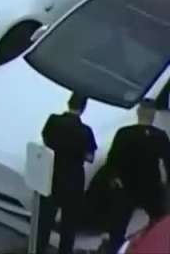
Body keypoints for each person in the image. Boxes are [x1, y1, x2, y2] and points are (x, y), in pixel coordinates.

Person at [104, 98, 170, 254]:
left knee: (118, 229)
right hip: (151, 187)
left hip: (127, 187)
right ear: (153, 114)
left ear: (138, 112)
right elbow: (169, 163)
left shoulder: (124, 133)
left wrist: (114, 180)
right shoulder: (160, 136)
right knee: (160, 224)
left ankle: (116, 250)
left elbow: (111, 162)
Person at [39, 93, 97, 254]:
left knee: (45, 219)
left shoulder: (53, 120)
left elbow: (45, 139)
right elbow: (90, 157)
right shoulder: (85, 131)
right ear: (83, 108)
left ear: (68, 103)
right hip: (73, 180)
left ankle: (39, 247)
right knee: (69, 223)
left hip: (52, 174)